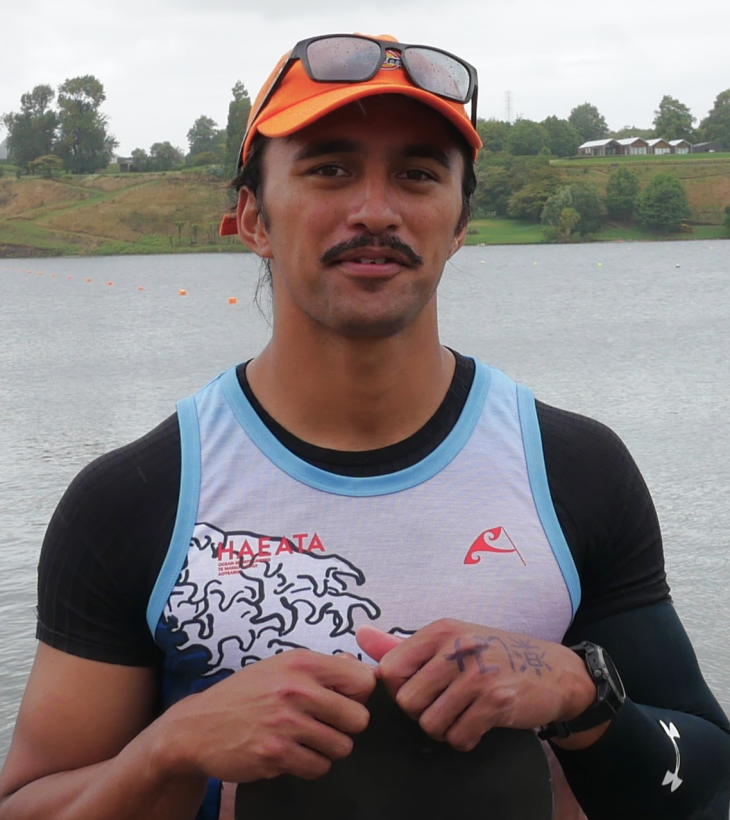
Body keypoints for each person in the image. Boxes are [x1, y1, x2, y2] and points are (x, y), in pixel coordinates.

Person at [1, 32, 729, 820]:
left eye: (418, 174)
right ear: (252, 217)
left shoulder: (571, 469)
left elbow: (710, 783)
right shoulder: (136, 498)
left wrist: (580, 695)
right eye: (329, 169)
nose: (376, 210)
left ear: (457, 223)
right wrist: (166, 750)